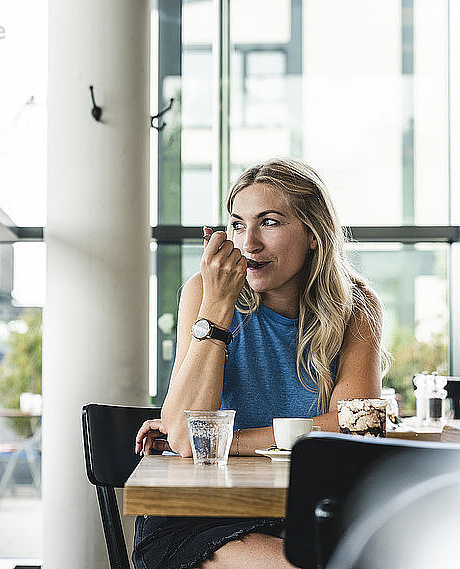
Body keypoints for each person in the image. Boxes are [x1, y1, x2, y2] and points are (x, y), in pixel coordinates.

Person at [132, 157, 390, 569]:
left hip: (305, 508)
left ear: (312, 234)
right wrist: (217, 307)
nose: (248, 243)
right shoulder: (204, 292)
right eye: (237, 225)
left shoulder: (356, 307)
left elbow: (353, 424)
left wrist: (227, 441)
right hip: (200, 518)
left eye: (268, 222)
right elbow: (183, 437)